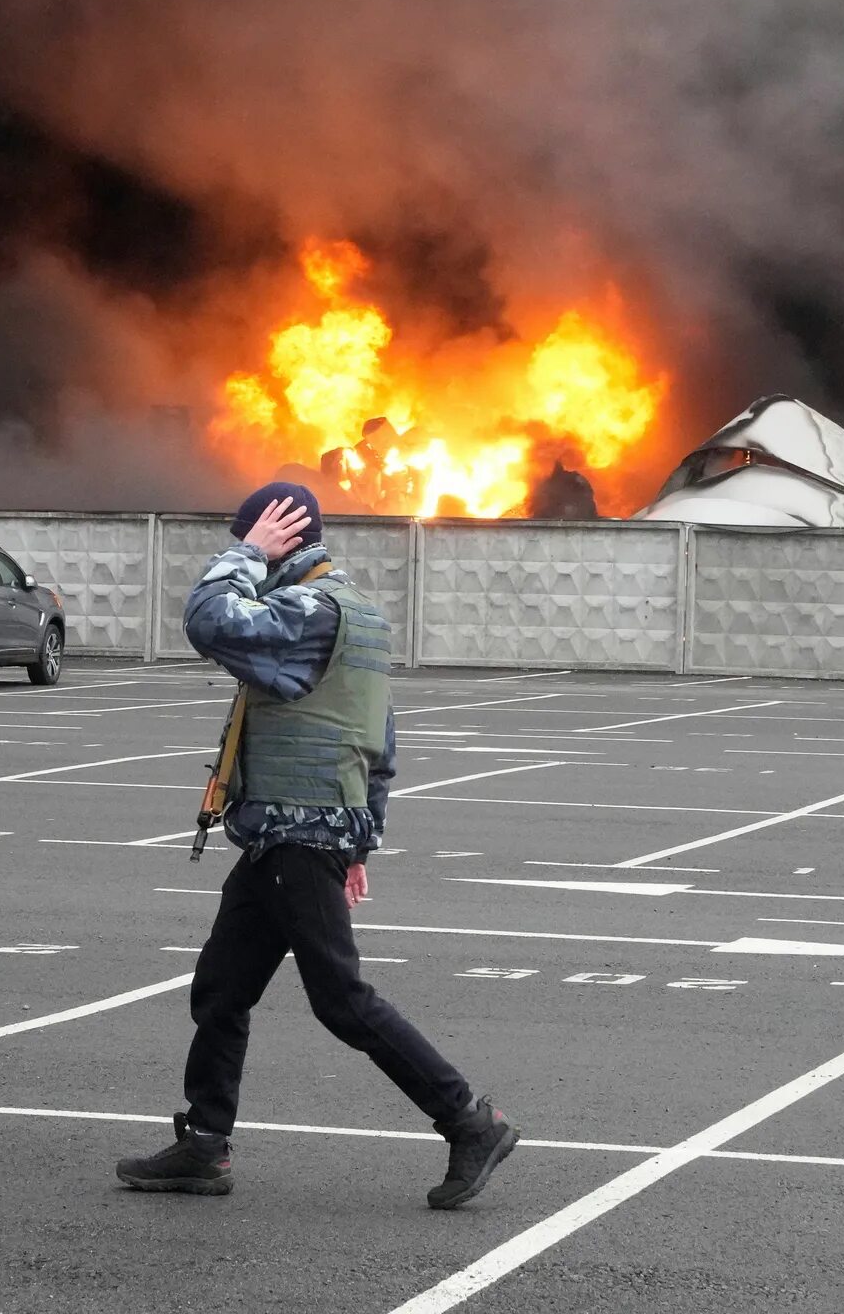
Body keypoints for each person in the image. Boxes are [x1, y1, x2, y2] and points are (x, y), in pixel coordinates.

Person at [114, 481, 520, 1208]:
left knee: (341, 1000)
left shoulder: (307, 608)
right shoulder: (356, 613)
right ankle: (204, 1146)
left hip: (298, 838)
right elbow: (379, 743)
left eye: (262, 536)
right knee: (223, 988)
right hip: (290, 837)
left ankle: (469, 1121)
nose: (252, 551)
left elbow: (208, 622)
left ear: (284, 535)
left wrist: (245, 552)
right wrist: (362, 841)